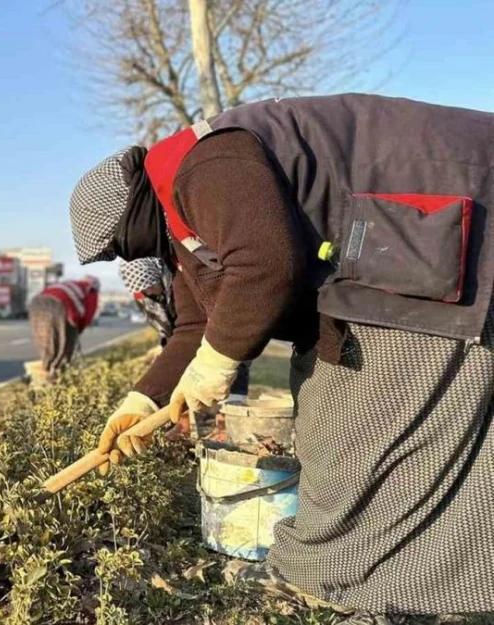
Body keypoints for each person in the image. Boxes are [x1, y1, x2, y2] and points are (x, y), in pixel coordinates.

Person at [70, 94, 494, 618]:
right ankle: (363, 584)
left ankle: (356, 591)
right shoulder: (180, 223)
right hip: (393, 258)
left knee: (358, 439)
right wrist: (140, 400)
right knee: (332, 425)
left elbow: (266, 264)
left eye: (118, 247)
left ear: (130, 213)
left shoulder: (203, 166)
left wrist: (217, 363)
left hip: (433, 232)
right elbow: (199, 322)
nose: (126, 258)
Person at [119, 257, 250, 397]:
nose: (148, 291)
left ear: (157, 275)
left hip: (213, 335)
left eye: (150, 285)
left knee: (229, 368)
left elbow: (193, 326)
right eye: (143, 289)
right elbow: (166, 325)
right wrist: (165, 348)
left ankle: (232, 405)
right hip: (184, 339)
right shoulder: (145, 297)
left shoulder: (180, 283)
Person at [27, 275, 100, 380]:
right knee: (63, 343)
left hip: (36, 302)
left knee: (44, 340)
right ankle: (56, 375)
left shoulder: (70, 284)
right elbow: (88, 313)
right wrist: (78, 330)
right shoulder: (91, 289)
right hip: (58, 304)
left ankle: (44, 371)